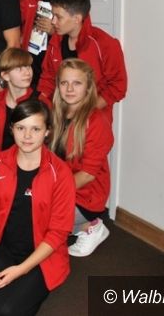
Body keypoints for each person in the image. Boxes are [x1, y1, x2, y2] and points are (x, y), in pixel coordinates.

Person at [0, 99, 75, 316]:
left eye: (35, 129)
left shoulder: (61, 173)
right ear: (12, 129)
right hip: (7, 248)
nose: (27, 136)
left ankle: (34, 289)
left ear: (47, 131)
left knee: (5, 311)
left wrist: (21, 270)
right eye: (20, 128)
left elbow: (58, 233)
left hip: (43, 256)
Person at [50, 59, 114, 257]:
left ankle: (90, 227)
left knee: (35, 217)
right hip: (61, 187)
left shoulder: (97, 121)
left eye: (77, 83)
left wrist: (50, 194)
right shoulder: (56, 114)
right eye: (64, 83)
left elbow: (87, 175)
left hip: (86, 196)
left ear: (88, 87)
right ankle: (75, 226)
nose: (69, 89)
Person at [36, 0, 127, 120]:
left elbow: (118, 86)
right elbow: (48, 79)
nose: (53, 21)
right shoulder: (56, 41)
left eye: (58, 17)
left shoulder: (105, 44)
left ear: (77, 19)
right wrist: (42, 110)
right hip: (60, 117)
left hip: (93, 119)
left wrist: (85, 111)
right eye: (53, 16)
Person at [0, 48, 50, 152]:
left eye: (28, 66)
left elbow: (50, 140)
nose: (27, 72)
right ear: (5, 75)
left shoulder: (42, 102)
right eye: (19, 68)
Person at [23, 0, 71, 87]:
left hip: (56, 77)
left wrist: (56, 31)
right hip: (29, 71)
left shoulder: (74, 3)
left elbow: (81, 41)